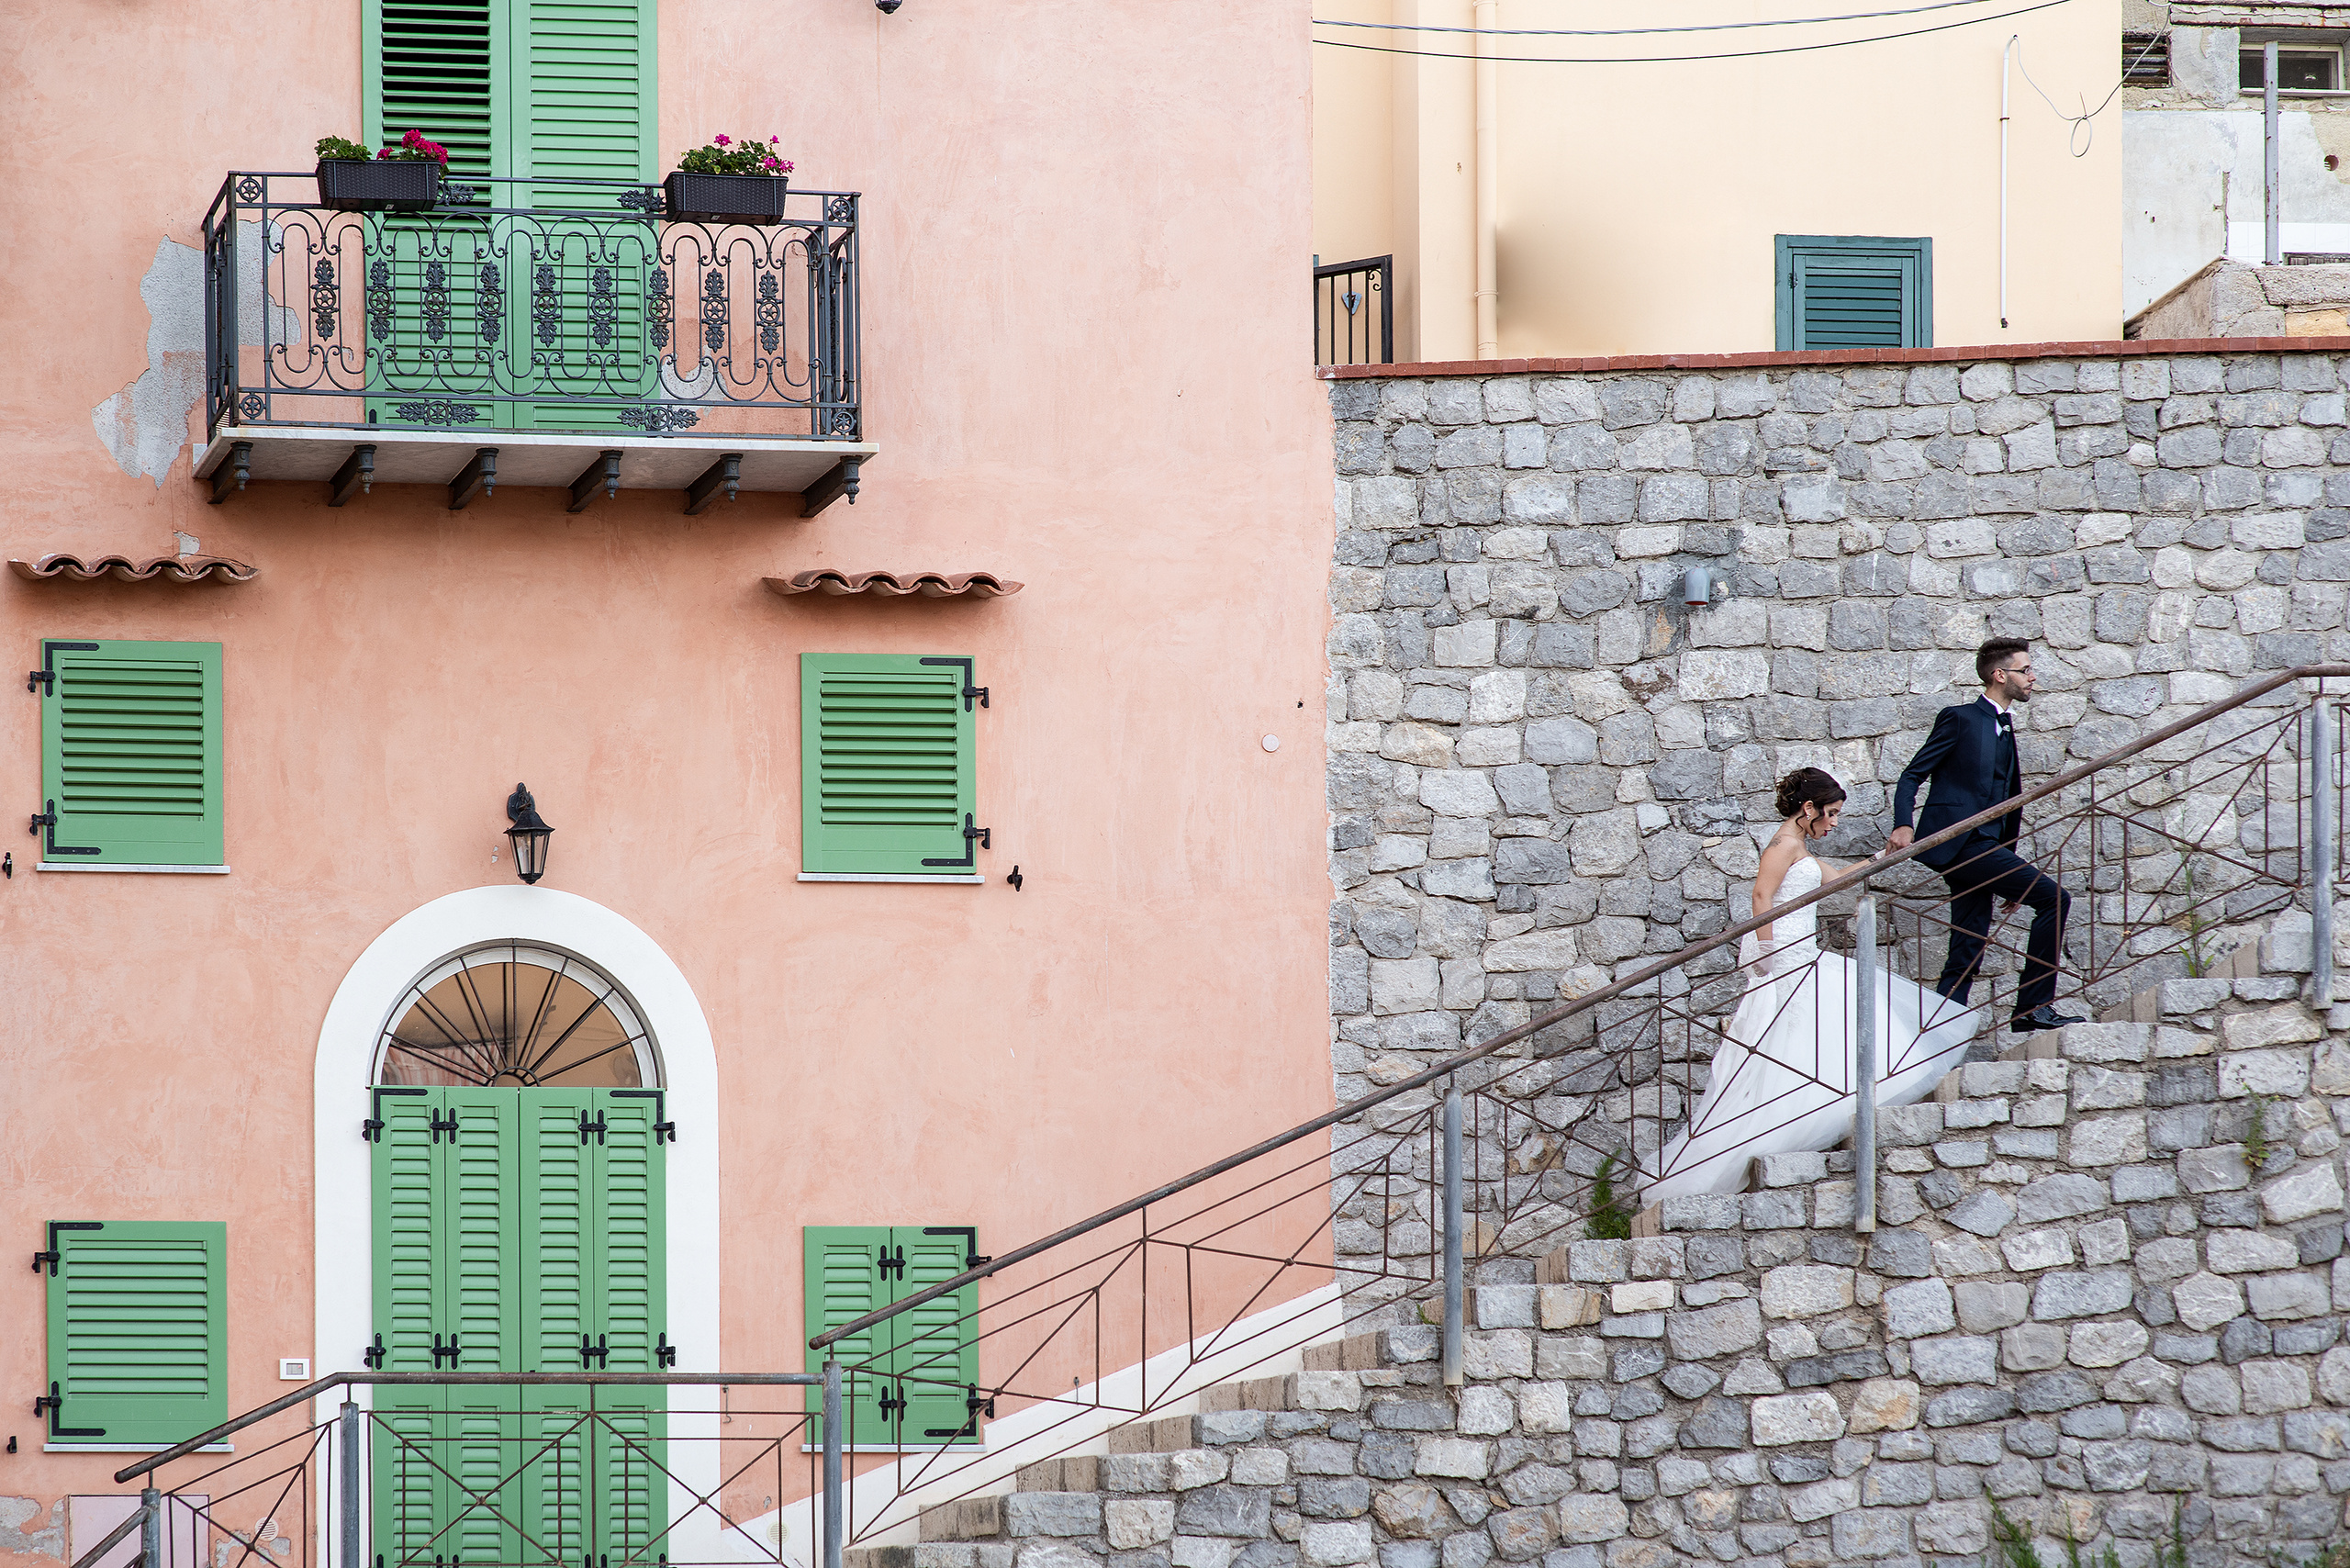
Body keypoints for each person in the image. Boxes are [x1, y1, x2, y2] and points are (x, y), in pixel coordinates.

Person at [1644, 768, 1979, 1205]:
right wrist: (1766, 949)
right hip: (1783, 953)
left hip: (1802, 950)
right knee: (1804, 1024)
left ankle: (1822, 1102)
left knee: (1822, 1022)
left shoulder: (1799, 845)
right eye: (1831, 813)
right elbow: (1761, 896)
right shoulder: (1783, 844)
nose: (1834, 822)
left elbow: (1834, 879)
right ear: (1808, 808)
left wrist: (1882, 855)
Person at [1888, 638, 2084, 1035]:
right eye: (2025, 670)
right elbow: (1912, 775)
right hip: (1960, 842)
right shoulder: (1959, 718)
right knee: (2054, 898)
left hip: (1986, 847)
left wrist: (2007, 858)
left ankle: (1939, 1034)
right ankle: (2032, 1008)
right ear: (1999, 675)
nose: (2032, 677)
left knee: (1968, 941)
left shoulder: (2005, 727)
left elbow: (2006, 800)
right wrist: (1903, 823)